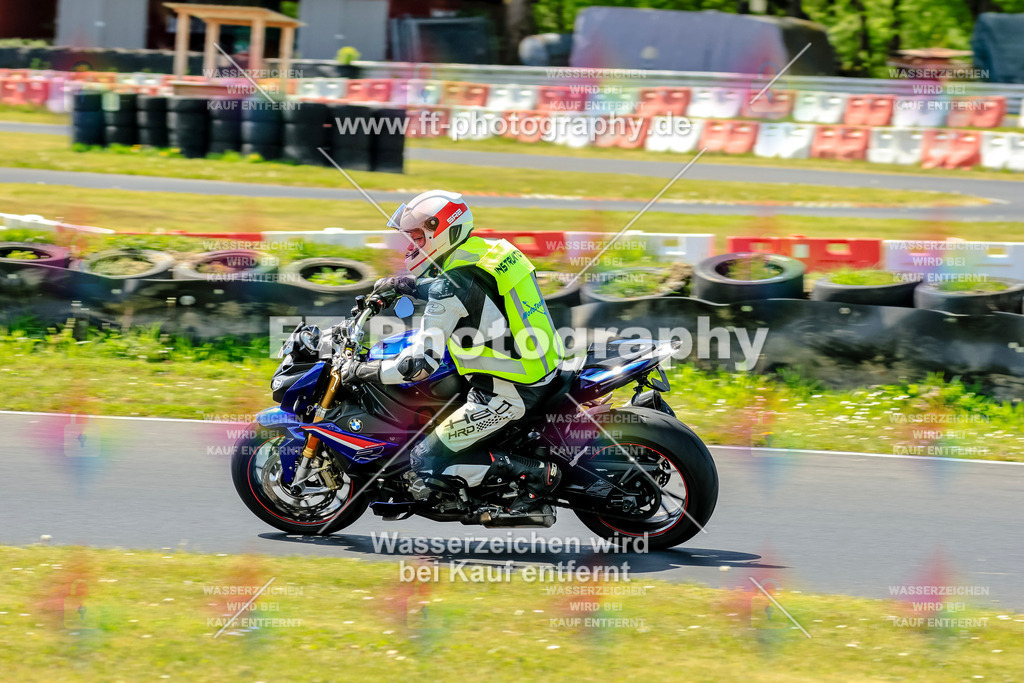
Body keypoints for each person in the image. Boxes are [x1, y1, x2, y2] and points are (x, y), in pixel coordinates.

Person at [340, 190, 565, 517]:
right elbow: (473, 290)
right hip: (541, 362)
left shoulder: (450, 286)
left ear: (443, 231)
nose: (412, 245)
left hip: (508, 388)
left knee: (423, 461)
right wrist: (407, 286)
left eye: (418, 237)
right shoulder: (491, 251)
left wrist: (363, 371)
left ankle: (534, 475)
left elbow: (418, 365)